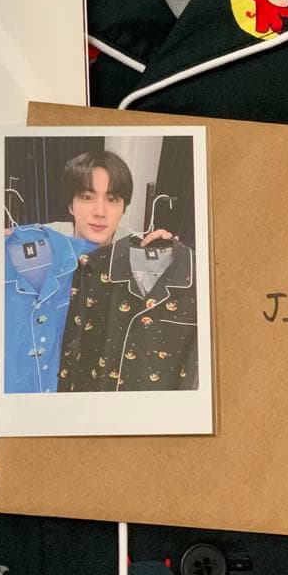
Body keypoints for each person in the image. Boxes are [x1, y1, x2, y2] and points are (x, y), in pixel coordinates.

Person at [56, 150, 197, 393]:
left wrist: (162, 251)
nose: (100, 211)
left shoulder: (131, 251)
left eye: (112, 199)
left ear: (123, 207)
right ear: (70, 204)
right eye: (87, 197)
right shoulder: (48, 246)